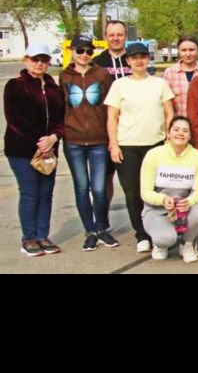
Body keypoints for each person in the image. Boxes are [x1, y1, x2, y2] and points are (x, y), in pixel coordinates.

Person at [105, 42, 174, 253]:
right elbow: (112, 117)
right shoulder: (119, 85)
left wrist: (168, 138)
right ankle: (141, 234)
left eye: (143, 57)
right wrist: (114, 144)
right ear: (128, 61)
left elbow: (169, 112)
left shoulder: (159, 84)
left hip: (155, 144)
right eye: (134, 58)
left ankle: (158, 230)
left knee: (156, 190)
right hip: (128, 146)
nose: (139, 61)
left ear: (148, 59)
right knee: (133, 192)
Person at [4, 43, 65, 257]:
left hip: (49, 149)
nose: (40, 64)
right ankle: (28, 238)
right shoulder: (15, 85)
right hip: (22, 149)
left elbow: (60, 118)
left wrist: (53, 138)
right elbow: (14, 119)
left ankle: (42, 235)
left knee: (46, 193)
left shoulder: (54, 88)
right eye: (35, 59)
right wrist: (40, 143)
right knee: (30, 193)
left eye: (44, 60)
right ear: (26, 60)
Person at [59, 35, 119, 251]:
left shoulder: (102, 74)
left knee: (99, 188)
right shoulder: (64, 76)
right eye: (80, 50)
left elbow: (111, 107)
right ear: (72, 51)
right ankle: (90, 230)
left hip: (99, 140)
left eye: (88, 51)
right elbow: (62, 106)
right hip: (73, 140)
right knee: (82, 188)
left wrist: (113, 138)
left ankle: (102, 228)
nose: (84, 55)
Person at [139, 116, 198, 262]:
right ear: (168, 133)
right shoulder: (153, 155)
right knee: (166, 238)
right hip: (156, 211)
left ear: (189, 135)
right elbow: (145, 192)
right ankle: (161, 245)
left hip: (183, 211)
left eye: (185, 131)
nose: (180, 133)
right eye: (176, 129)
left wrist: (188, 201)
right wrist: (162, 199)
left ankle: (186, 244)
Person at [93, 19, 131, 225]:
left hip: (132, 129)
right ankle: (102, 221)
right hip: (104, 128)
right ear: (105, 37)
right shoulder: (98, 62)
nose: (116, 38)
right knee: (104, 181)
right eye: (111, 35)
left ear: (126, 36)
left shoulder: (135, 59)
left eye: (120, 34)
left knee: (132, 181)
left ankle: (141, 221)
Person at [162, 34, 198, 116]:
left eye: (191, 50)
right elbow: (166, 105)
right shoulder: (170, 73)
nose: (188, 54)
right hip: (178, 125)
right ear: (178, 51)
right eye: (184, 50)